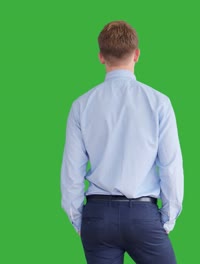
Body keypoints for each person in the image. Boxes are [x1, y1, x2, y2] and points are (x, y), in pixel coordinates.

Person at [61, 20, 184, 264]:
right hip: (144, 216)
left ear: (100, 57)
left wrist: (78, 219)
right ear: (137, 54)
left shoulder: (81, 105)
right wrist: (168, 219)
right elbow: (171, 166)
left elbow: (71, 171)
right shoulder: (159, 103)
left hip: (98, 217)